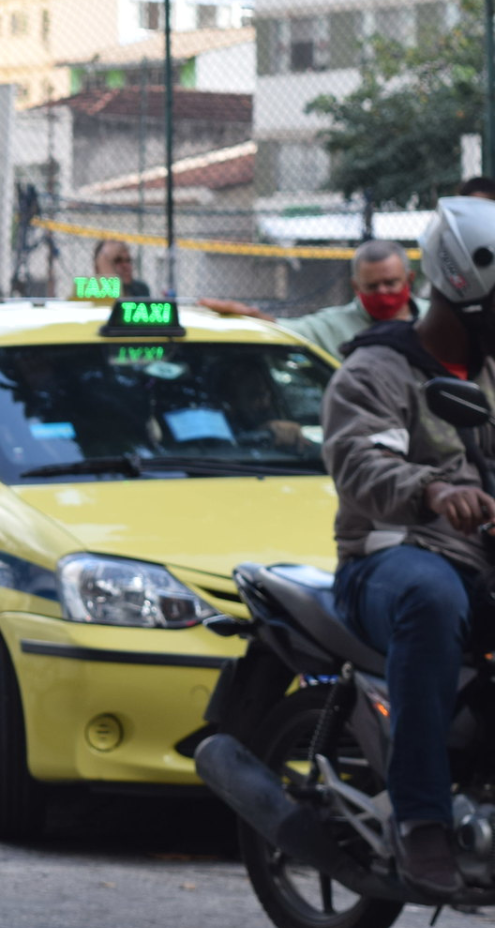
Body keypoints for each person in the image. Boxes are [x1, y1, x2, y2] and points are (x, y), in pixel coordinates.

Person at [321, 196, 495, 900]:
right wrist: (431, 490)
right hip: (388, 559)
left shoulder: (488, 375)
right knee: (431, 595)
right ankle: (421, 818)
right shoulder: (376, 371)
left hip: (477, 562)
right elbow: (359, 464)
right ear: (467, 293)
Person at [197, 239, 416, 359]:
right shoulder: (331, 326)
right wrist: (252, 316)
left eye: (390, 283)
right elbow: (283, 330)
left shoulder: (434, 322)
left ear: (409, 279)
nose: (383, 292)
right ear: (355, 286)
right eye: (372, 286)